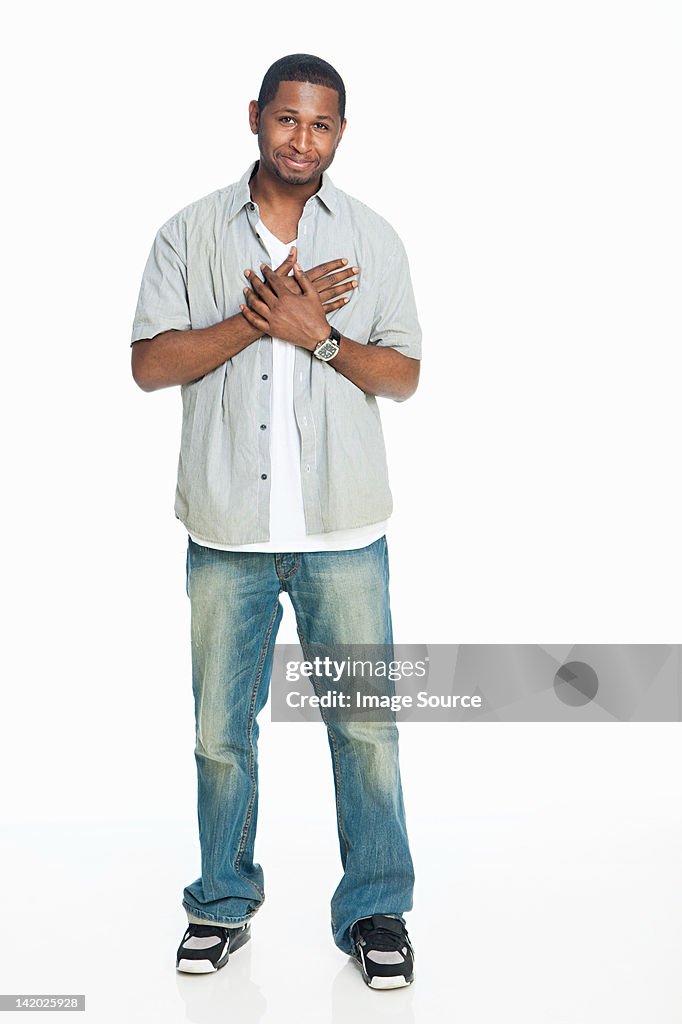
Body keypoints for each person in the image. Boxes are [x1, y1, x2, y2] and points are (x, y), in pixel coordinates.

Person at [130, 53, 421, 989]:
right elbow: (148, 362)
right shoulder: (188, 233)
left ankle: (376, 910)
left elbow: (404, 375)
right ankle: (220, 904)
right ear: (256, 117)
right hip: (227, 534)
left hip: (343, 533)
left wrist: (320, 336)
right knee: (222, 730)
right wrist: (255, 323)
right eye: (288, 120)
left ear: (341, 132)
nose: (303, 140)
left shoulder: (372, 240)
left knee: (365, 728)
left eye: (322, 125)